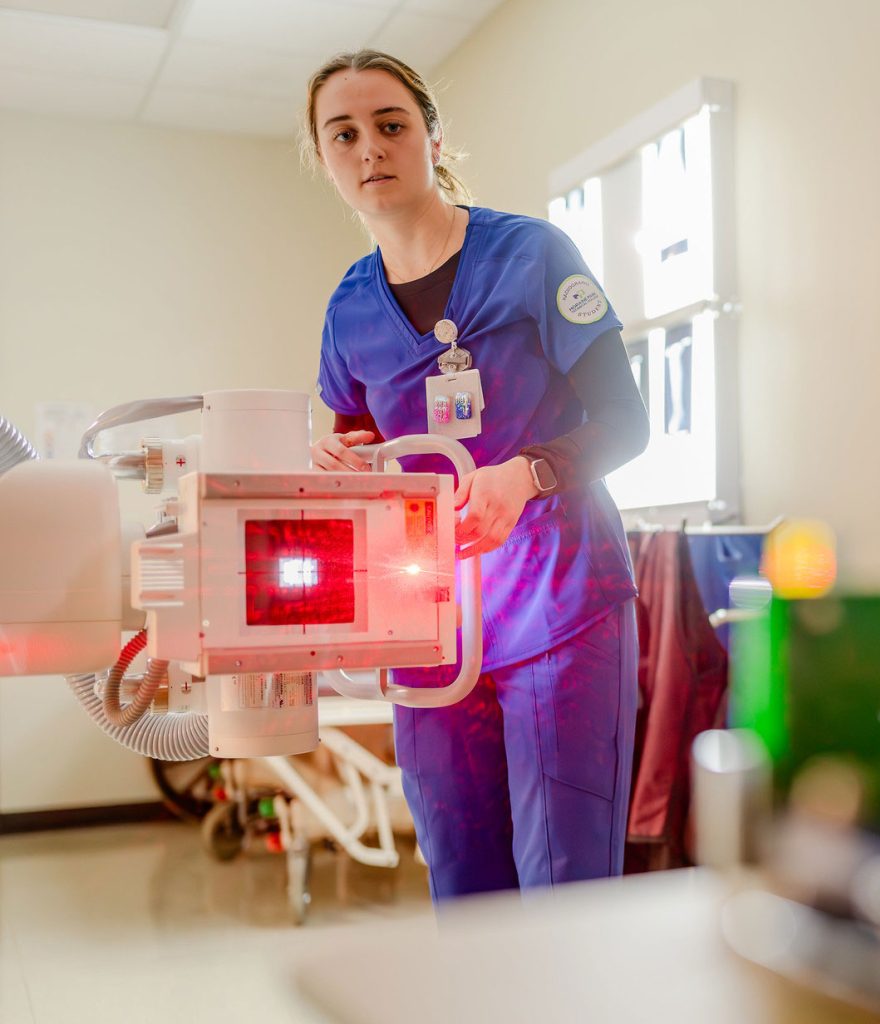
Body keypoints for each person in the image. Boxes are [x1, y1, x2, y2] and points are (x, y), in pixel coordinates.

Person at [304, 50, 649, 902]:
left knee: (562, 886)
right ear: (324, 159)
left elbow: (627, 422)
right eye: (343, 134)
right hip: (430, 629)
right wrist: (339, 464)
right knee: (462, 884)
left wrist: (525, 475)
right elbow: (363, 455)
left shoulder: (532, 255)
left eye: (391, 125)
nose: (370, 149)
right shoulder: (350, 312)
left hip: (561, 610)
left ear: (432, 136)